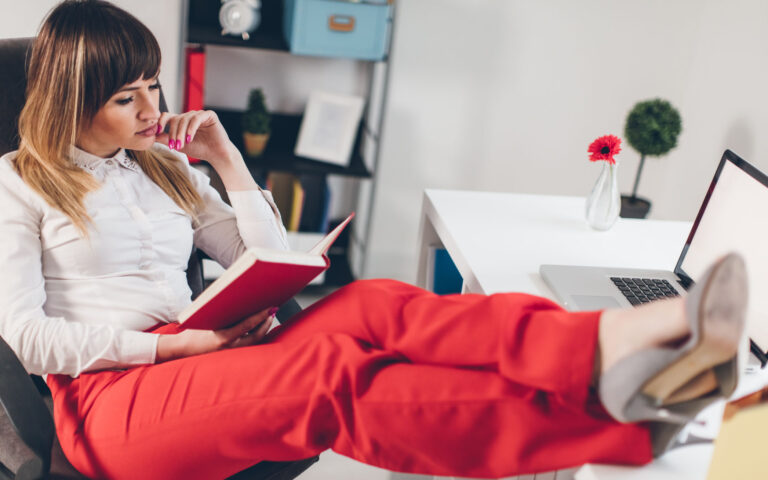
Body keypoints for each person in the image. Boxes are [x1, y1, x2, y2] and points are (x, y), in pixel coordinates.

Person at [0, 1, 750, 479]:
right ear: (69, 100)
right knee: (329, 376)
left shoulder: (162, 166)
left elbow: (256, 259)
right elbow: (28, 338)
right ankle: (609, 424)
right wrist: (170, 349)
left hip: (203, 346)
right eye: (124, 97)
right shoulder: (19, 180)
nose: (149, 108)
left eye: (154, 86)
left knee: (373, 302)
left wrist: (227, 160)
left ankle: (607, 343)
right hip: (110, 402)